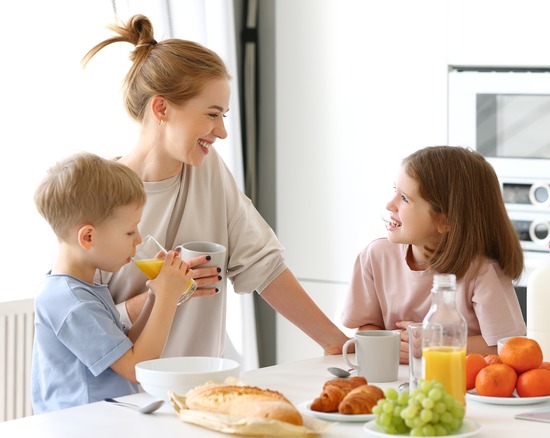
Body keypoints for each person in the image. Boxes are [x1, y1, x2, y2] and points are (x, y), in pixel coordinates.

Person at [81, 15, 349, 358]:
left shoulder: (207, 171)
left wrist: (338, 344)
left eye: (224, 115)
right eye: (211, 114)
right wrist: (166, 291)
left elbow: (264, 267)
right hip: (125, 396)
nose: (221, 131)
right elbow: (81, 325)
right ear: (161, 108)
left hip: (202, 386)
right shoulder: (95, 193)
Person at [31, 152, 192, 413]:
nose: (138, 239)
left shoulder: (82, 288)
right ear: (88, 237)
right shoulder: (71, 301)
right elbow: (137, 368)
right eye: (130, 231)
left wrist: (154, 296)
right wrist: (167, 298)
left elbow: (127, 350)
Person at [341, 146, 527, 363]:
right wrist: (390, 343)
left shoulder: (482, 271)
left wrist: (434, 342)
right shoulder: (376, 256)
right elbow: (366, 327)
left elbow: (506, 346)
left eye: (404, 198)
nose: (390, 204)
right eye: (395, 191)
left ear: (445, 221)